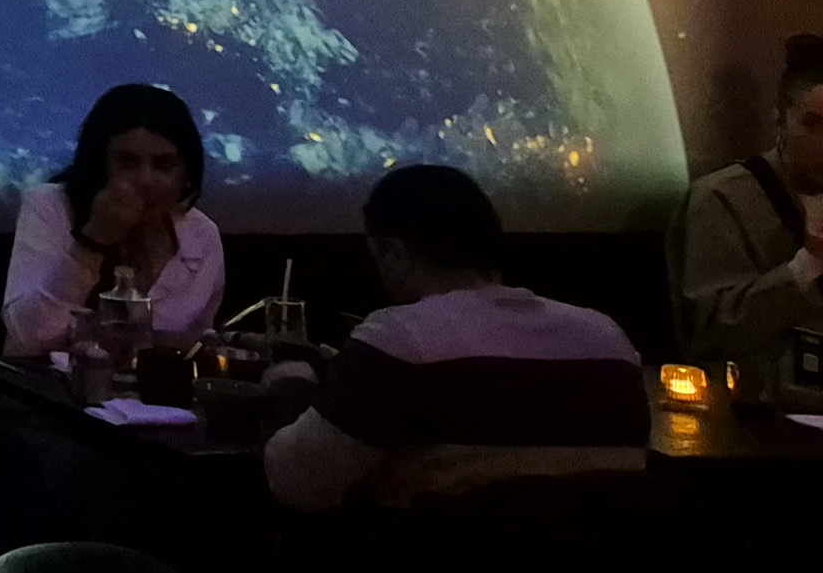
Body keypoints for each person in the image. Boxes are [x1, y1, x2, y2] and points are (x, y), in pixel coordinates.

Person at [263, 164, 649, 511]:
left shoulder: (399, 341)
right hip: (598, 566)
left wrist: (291, 382)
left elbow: (298, 484)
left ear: (394, 253)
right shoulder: (608, 341)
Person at [2, 83, 226, 356]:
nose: (145, 180)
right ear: (98, 165)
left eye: (164, 165)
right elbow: (30, 339)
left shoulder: (201, 235)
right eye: (127, 163)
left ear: (186, 173)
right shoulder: (51, 205)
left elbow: (196, 349)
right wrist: (93, 240)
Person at [669, 32, 823, 367]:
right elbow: (706, 333)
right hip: (756, 398)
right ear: (780, 121)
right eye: (813, 125)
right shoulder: (721, 200)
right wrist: (806, 266)